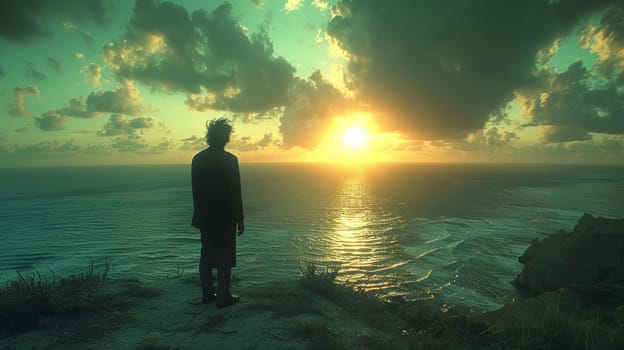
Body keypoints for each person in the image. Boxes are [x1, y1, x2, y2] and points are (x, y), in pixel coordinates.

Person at [191, 118, 245, 308]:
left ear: (209, 137)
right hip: (226, 217)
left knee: (206, 255)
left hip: (205, 217)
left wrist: (200, 215)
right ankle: (223, 295)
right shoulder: (230, 160)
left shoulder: (198, 159)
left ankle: (207, 294)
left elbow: (195, 192)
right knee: (226, 256)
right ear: (225, 138)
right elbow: (235, 192)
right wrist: (240, 219)